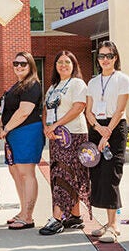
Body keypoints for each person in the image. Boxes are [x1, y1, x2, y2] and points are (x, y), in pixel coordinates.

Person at [38, 50, 91, 235]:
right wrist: (47, 128)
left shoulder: (77, 84)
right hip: (55, 136)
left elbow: (78, 108)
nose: (63, 65)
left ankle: (57, 219)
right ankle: (74, 216)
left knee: (65, 174)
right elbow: (45, 109)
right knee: (60, 173)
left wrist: (56, 125)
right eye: (60, 62)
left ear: (73, 65)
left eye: (67, 62)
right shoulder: (53, 87)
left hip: (74, 134)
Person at [85, 41, 129, 243]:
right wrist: (98, 129)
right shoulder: (93, 82)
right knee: (99, 176)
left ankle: (114, 226)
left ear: (115, 58)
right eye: (102, 56)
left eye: (109, 56)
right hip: (97, 129)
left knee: (111, 175)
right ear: (98, 59)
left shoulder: (122, 79)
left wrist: (107, 134)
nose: (105, 59)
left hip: (115, 129)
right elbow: (88, 111)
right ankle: (108, 222)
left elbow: (121, 110)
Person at [0, 52, 44, 230]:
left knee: (26, 173)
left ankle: (28, 217)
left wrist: (6, 128)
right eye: (16, 63)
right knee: (16, 173)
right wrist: (2, 128)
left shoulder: (32, 85)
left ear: (31, 65)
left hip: (27, 133)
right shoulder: (18, 85)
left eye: (23, 64)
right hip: (13, 134)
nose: (19, 66)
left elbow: (24, 111)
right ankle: (23, 211)